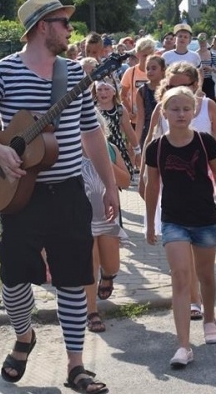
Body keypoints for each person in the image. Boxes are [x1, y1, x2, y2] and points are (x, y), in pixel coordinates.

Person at [0, 0, 116, 393]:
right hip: (18, 196)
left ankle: (76, 366)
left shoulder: (74, 73)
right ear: (43, 27)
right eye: (64, 23)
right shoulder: (4, 71)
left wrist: (110, 184)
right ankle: (24, 334)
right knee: (12, 279)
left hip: (67, 193)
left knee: (73, 279)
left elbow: (91, 134)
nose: (70, 30)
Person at [140, 61, 216, 320]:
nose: (178, 90)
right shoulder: (164, 107)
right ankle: (192, 300)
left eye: (184, 85)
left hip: (203, 183)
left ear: (195, 86)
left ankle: (206, 306)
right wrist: (144, 177)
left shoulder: (207, 107)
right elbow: (151, 140)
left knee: (200, 255)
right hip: (171, 183)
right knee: (181, 256)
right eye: (172, 85)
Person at [84, 110, 132, 334]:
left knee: (111, 264)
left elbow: (126, 180)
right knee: (89, 264)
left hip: (107, 217)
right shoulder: (68, 153)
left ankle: (108, 275)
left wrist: (102, 160)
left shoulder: (111, 151)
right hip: (81, 219)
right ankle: (91, 311)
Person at [94, 79, 139, 177]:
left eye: (107, 89)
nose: (103, 92)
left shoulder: (120, 109)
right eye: (99, 89)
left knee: (116, 181)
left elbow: (129, 132)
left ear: (114, 91)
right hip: (96, 149)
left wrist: (137, 151)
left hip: (116, 150)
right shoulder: (91, 109)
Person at [134, 54, 166, 150]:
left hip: (168, 129)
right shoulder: (142, 91)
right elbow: (140, 119)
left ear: (163, 69)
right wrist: (136, 144)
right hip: (149, 132)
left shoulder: (169, 88)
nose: (150, 71)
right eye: (148, 69)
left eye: (154, 68)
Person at [119, 37, 156, 120]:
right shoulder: (130, 72)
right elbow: (123, 95)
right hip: (136, 119)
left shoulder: (159, 72)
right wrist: (129, 111)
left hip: (154, 119)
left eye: (151, 55)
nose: (148, 58)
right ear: (137, 54)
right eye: (145, 55)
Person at [197, 35, 216, 102]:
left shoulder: (212, 55)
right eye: (200, 41)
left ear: (206, 41)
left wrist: (211, 69)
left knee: (210, 101)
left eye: (204, 40)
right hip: (197, 82)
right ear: (198, 41)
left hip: (209, 82)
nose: (202, 42)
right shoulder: (195, 55)